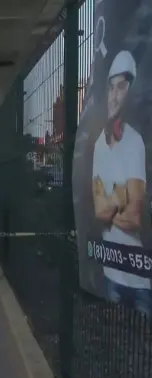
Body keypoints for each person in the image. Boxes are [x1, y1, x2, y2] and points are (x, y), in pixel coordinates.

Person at [92, 50, 150, 314]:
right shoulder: (98, 147)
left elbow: (135, 217)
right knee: (117, 346)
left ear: (130, 91)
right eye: (111, 88)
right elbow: (97, 211)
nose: (115, 96)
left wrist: (110, 200)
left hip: (139, 278)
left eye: (122, 87)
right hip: (110, 272)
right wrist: (122, 196)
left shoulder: (135, 141)